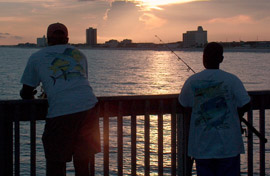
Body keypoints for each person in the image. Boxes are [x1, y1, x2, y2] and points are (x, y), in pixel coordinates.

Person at [20, 22, 100, 176]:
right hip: (89, 109)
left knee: (56, 163)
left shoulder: (37, 57)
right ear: (67, 39)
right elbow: (79, 82)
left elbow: (26, 91)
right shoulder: (79, 54)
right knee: (83, 163)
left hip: (62, 111)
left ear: (47, 39)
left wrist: (32, 97)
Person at [178, 42, 251, 176]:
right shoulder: (232, 80)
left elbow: (183, 103)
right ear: (221, 59)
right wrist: (238, 115)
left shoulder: (192, 81)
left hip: (202, 146)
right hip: (229, 145)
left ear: (203, 58)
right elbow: (246, 103)